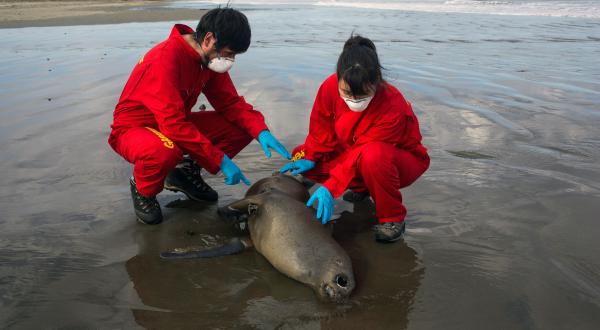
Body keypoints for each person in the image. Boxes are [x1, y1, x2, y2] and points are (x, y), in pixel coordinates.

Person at [108, 8, 290, 225]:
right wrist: (219, 159)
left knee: (242, 127)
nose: (230, 60)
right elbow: (173, 124)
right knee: (163, 152)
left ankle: (184, 173)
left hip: (173, 123)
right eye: (229, 53)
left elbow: (229, 103)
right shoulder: (164, 59)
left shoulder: (207, 59)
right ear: (209, 39)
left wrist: (261, 131)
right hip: (134, 128)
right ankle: (142, 189)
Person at [280, 35, 430, 243]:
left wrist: (331, 188)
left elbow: (362, 153)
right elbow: (320, 130)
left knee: (372, 157)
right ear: (339, 77)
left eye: (363, 94)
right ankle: (361, 187)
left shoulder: (392, 105)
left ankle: (393, 218)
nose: (354, 100)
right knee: (301, 154)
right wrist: (311, 156)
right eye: (348, 93)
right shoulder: (329, 87)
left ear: (376, 81)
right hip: (352, 149)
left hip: (398, 161)